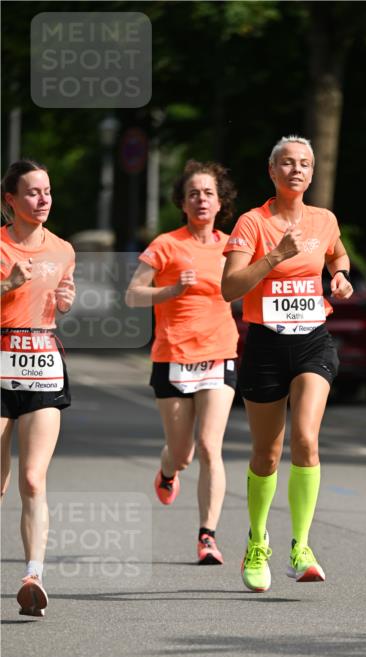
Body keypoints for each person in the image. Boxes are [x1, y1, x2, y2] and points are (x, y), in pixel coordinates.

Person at [222, 135, 353, 592]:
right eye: (288, 163)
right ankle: (258, 541)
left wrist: (339, 276)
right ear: (272, 172)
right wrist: (277, 255)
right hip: (265, 344)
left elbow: (338, 253)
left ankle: (302, 545)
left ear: (312, 173)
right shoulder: (252, 223)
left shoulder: (324, 219)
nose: (297, 170)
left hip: (314, 341)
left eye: (305, 164)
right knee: (267, 454)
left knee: (307, 438)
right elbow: (229, 288)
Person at [126, 160, 239, 565]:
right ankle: (168, 472)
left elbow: (247, 286)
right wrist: (172, 288)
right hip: (173, 355)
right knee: (183, 451)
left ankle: (207, 535)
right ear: (183, 201)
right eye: (193, 193)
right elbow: (133, 295)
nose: (201, 199)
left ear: (220, 200)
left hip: (219, 353)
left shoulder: (231, 246)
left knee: (211, 446)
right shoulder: (166, 244)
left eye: (208, 192)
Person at [1, 159, 76, 617]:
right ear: (10, 201)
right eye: (32, 192)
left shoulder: (64, 249)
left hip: (43, 365)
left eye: (47, 191)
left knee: (33, 477)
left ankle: (33, 575)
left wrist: (65, 302)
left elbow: (59, 298)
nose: (43, 199)